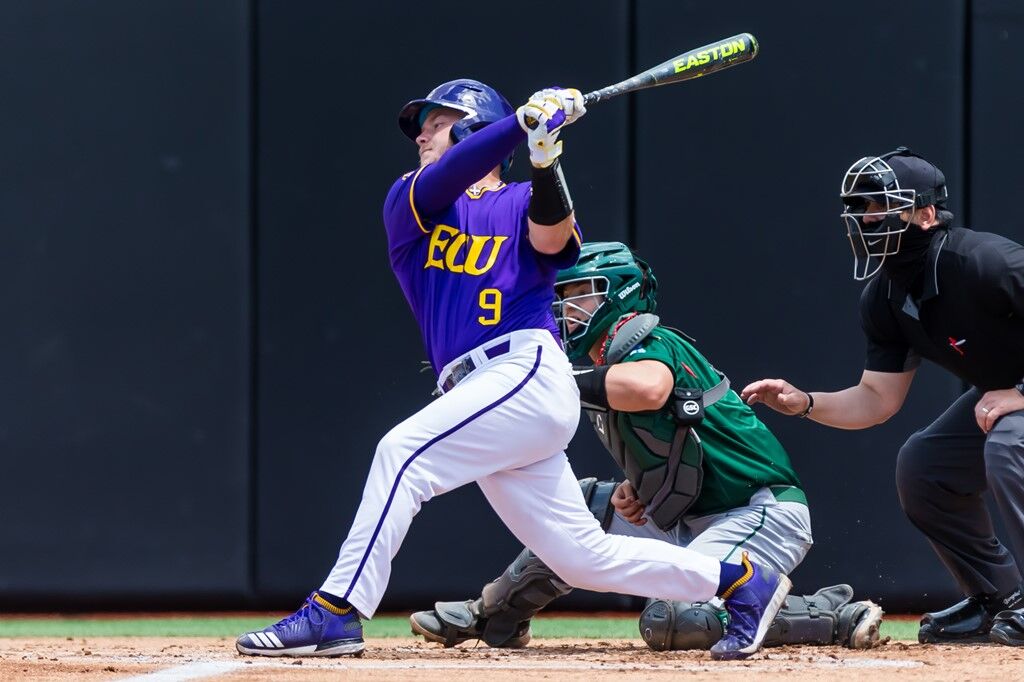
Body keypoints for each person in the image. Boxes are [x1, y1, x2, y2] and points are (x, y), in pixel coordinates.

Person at [234, 79, 791, 661]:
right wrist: (523, 122)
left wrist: (545, 157)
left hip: (522, 369)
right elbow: (452, 174)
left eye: (437, 120)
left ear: (473, 127)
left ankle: (336, 611)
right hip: (480, 390)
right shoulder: (411, 201)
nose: (421, 133)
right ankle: (738, 579)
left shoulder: (522, 198)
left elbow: (552, 241)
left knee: (401, 454)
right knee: (582, 557)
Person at [409, 241, 883, 652]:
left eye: (579, 294)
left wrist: (543, 380)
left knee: (679, 619)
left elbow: (651, 389)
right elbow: (667, 442)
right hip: (689, 516)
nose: (565, 308)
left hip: (759, 512)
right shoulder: (602, 362)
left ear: (620, 294)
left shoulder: (647, 339)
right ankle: (496, 616)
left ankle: (826, 614)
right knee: (582, 510)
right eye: (561, 296)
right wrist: (641, 487)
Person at [741, 147, 1024, 647]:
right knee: (923, 464)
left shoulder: (985, 262)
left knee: (1008, 443)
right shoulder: (885, 297)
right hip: (1006, 399)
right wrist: (803, 401)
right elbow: (876, 400)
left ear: (926, 214)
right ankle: (1000, 599)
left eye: (881, 206)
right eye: (861, 208)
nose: (866, 219)